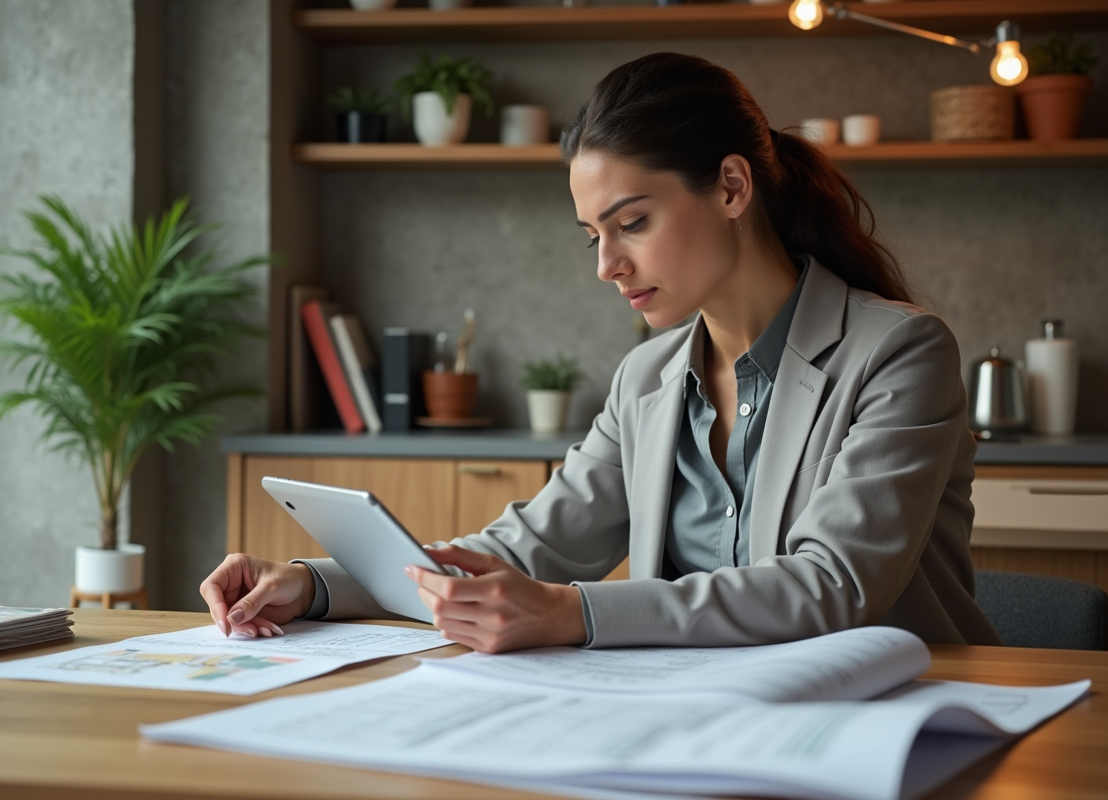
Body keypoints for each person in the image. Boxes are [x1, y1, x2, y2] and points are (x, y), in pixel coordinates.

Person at [201, 53, 1002, 652]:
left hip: (894, 723)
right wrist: (313, 586)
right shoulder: (647, 380)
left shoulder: (899, 352)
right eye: (593, 234)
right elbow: (525, 549)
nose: (605, 265)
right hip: (707, 722)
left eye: (633, 223)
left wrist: (570, 612)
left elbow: (835, 586)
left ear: (730, 188)